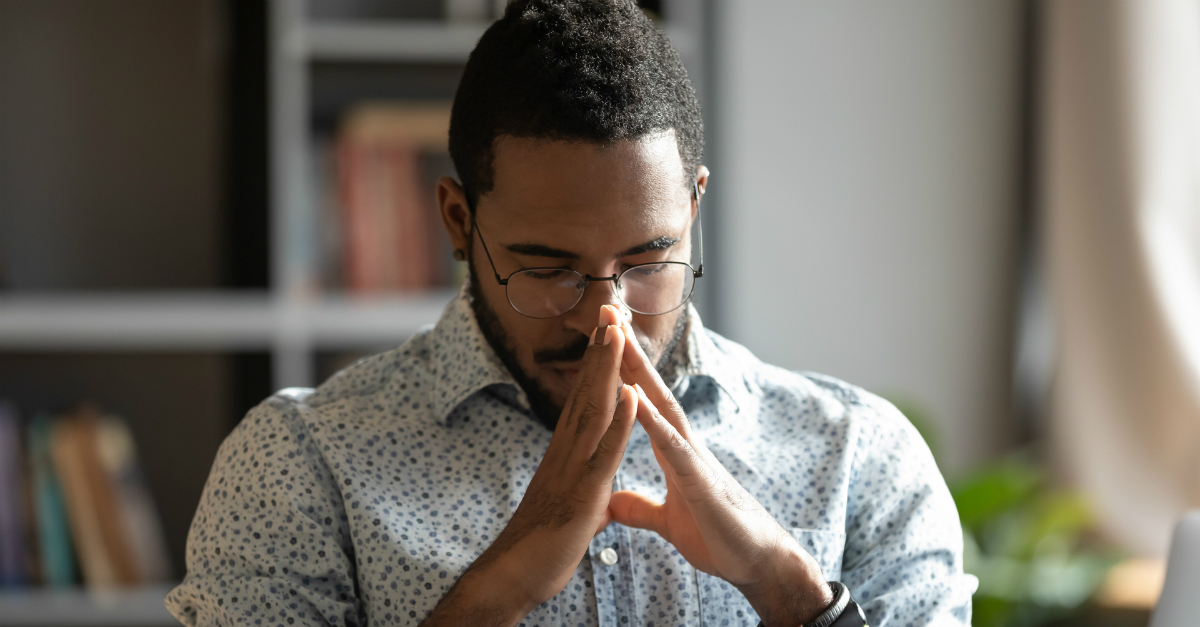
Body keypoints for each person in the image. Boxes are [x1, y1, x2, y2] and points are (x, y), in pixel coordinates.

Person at [166, 1, 976, 625]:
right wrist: (504, 582)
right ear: (458, 221)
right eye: (549, 268)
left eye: (646, 261)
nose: (605, 319)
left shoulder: (859, 458)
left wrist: (784, 585)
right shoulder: (299, 466)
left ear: (694, 208)